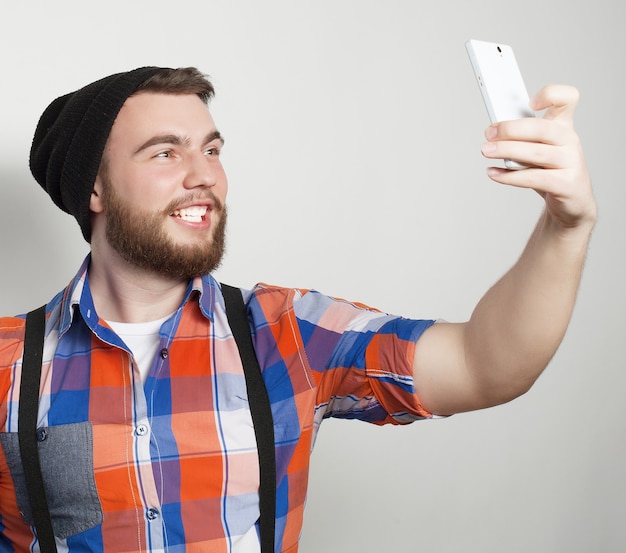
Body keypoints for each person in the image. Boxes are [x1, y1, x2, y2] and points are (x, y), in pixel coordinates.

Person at [0, 66, 596, 553]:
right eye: (165, 153)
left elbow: (486, 363)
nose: (205, 175)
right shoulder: (9, 364)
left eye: (212, 150)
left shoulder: (285, 333)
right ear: (94, 190)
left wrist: (566, 227)